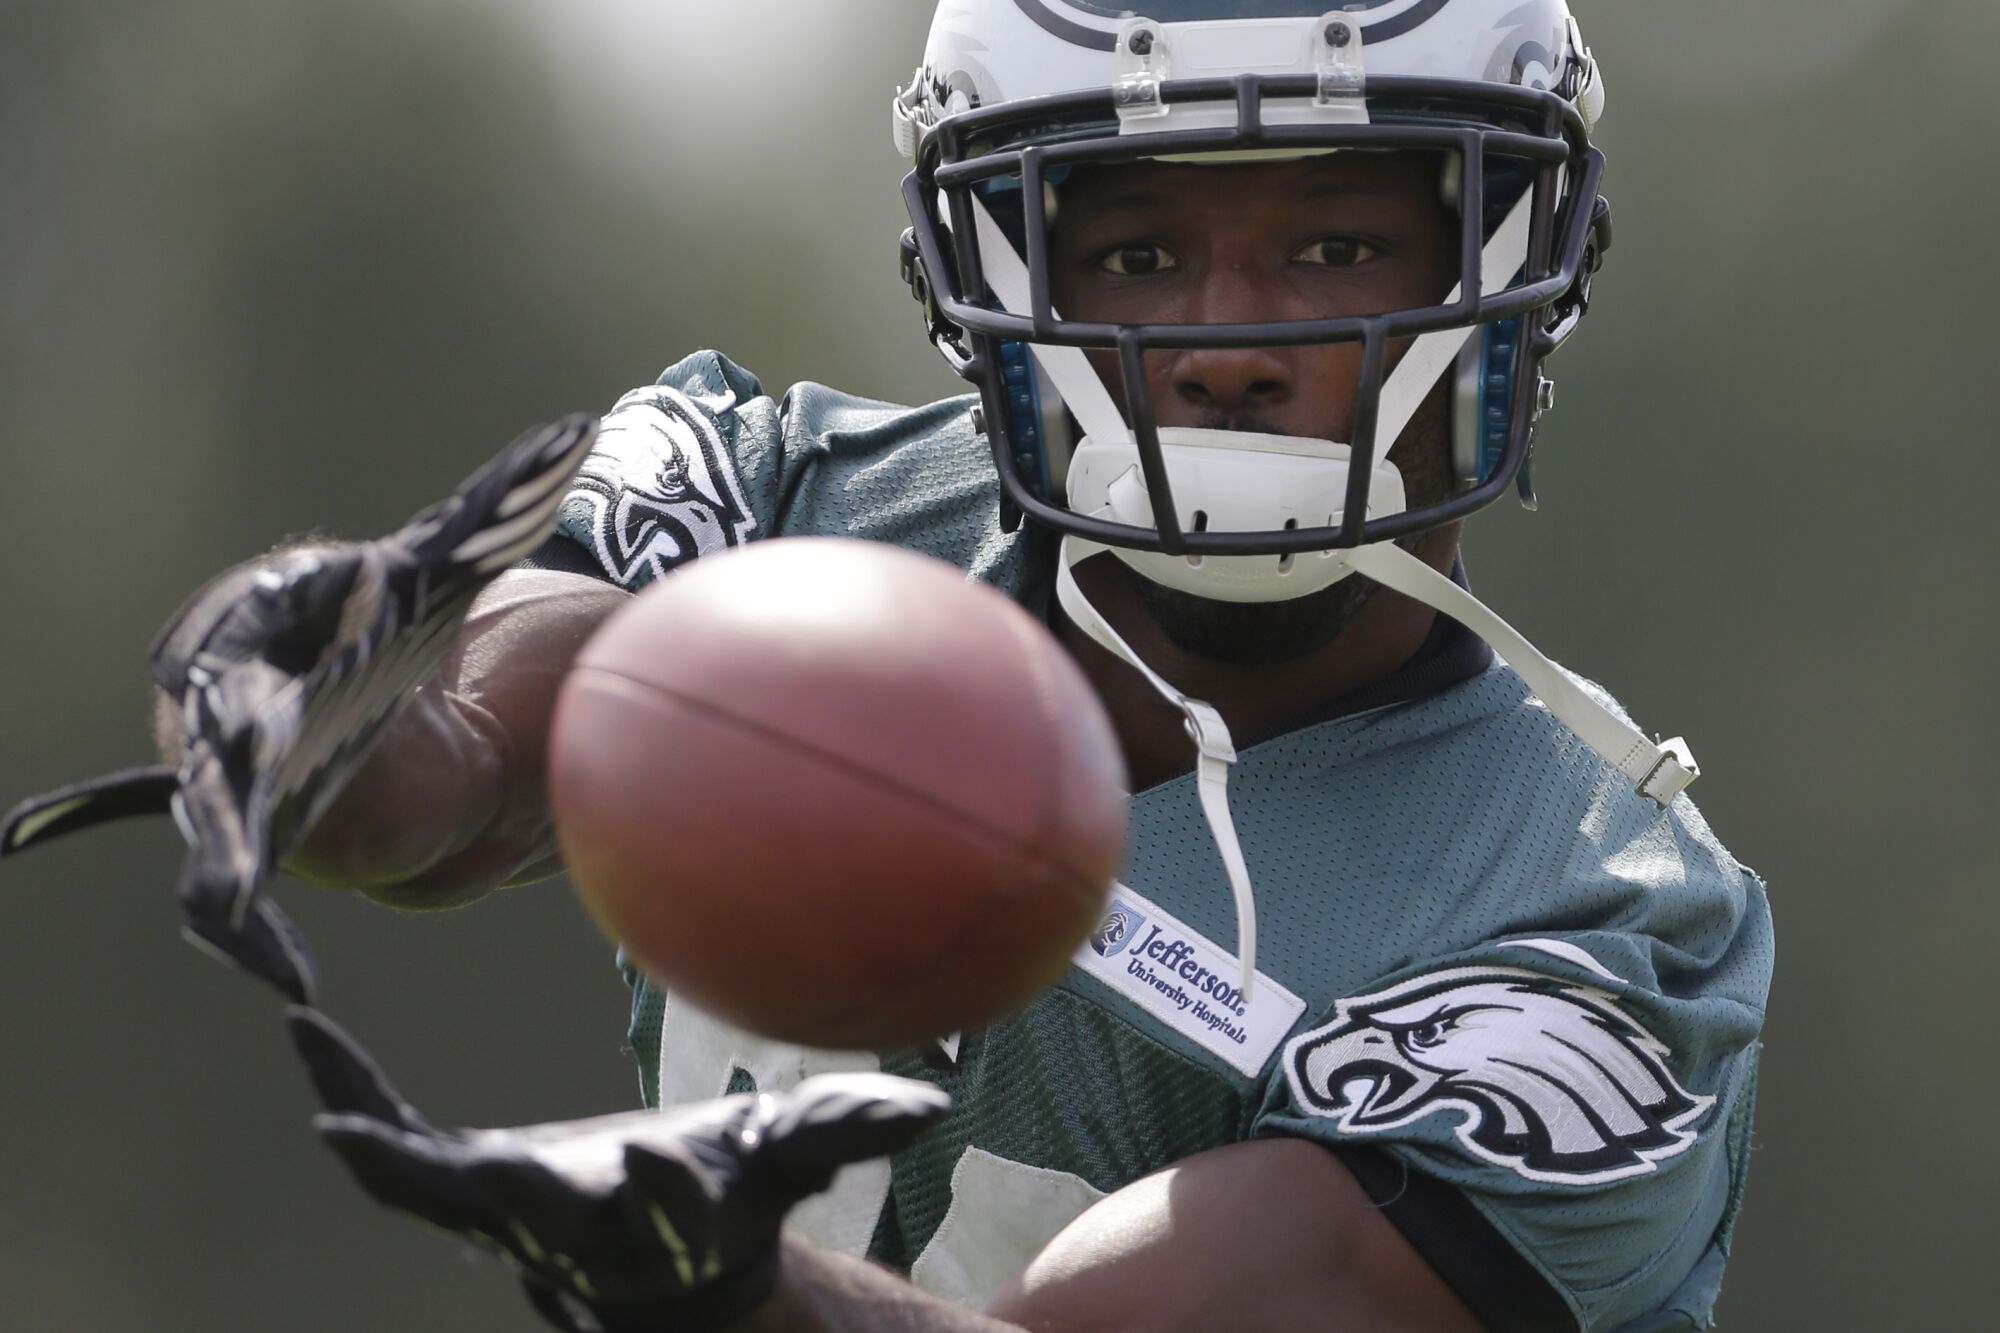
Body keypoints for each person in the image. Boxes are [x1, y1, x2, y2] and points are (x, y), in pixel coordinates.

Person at [4, 4, 1771, 1331]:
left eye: (1334, 242)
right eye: (1142, 252)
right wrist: (306, 671)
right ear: (987, 263)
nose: (1234, 341)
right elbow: (455, 771)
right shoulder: (783, 505)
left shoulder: (1603, 922)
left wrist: (742, 1292)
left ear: (1516, 264)